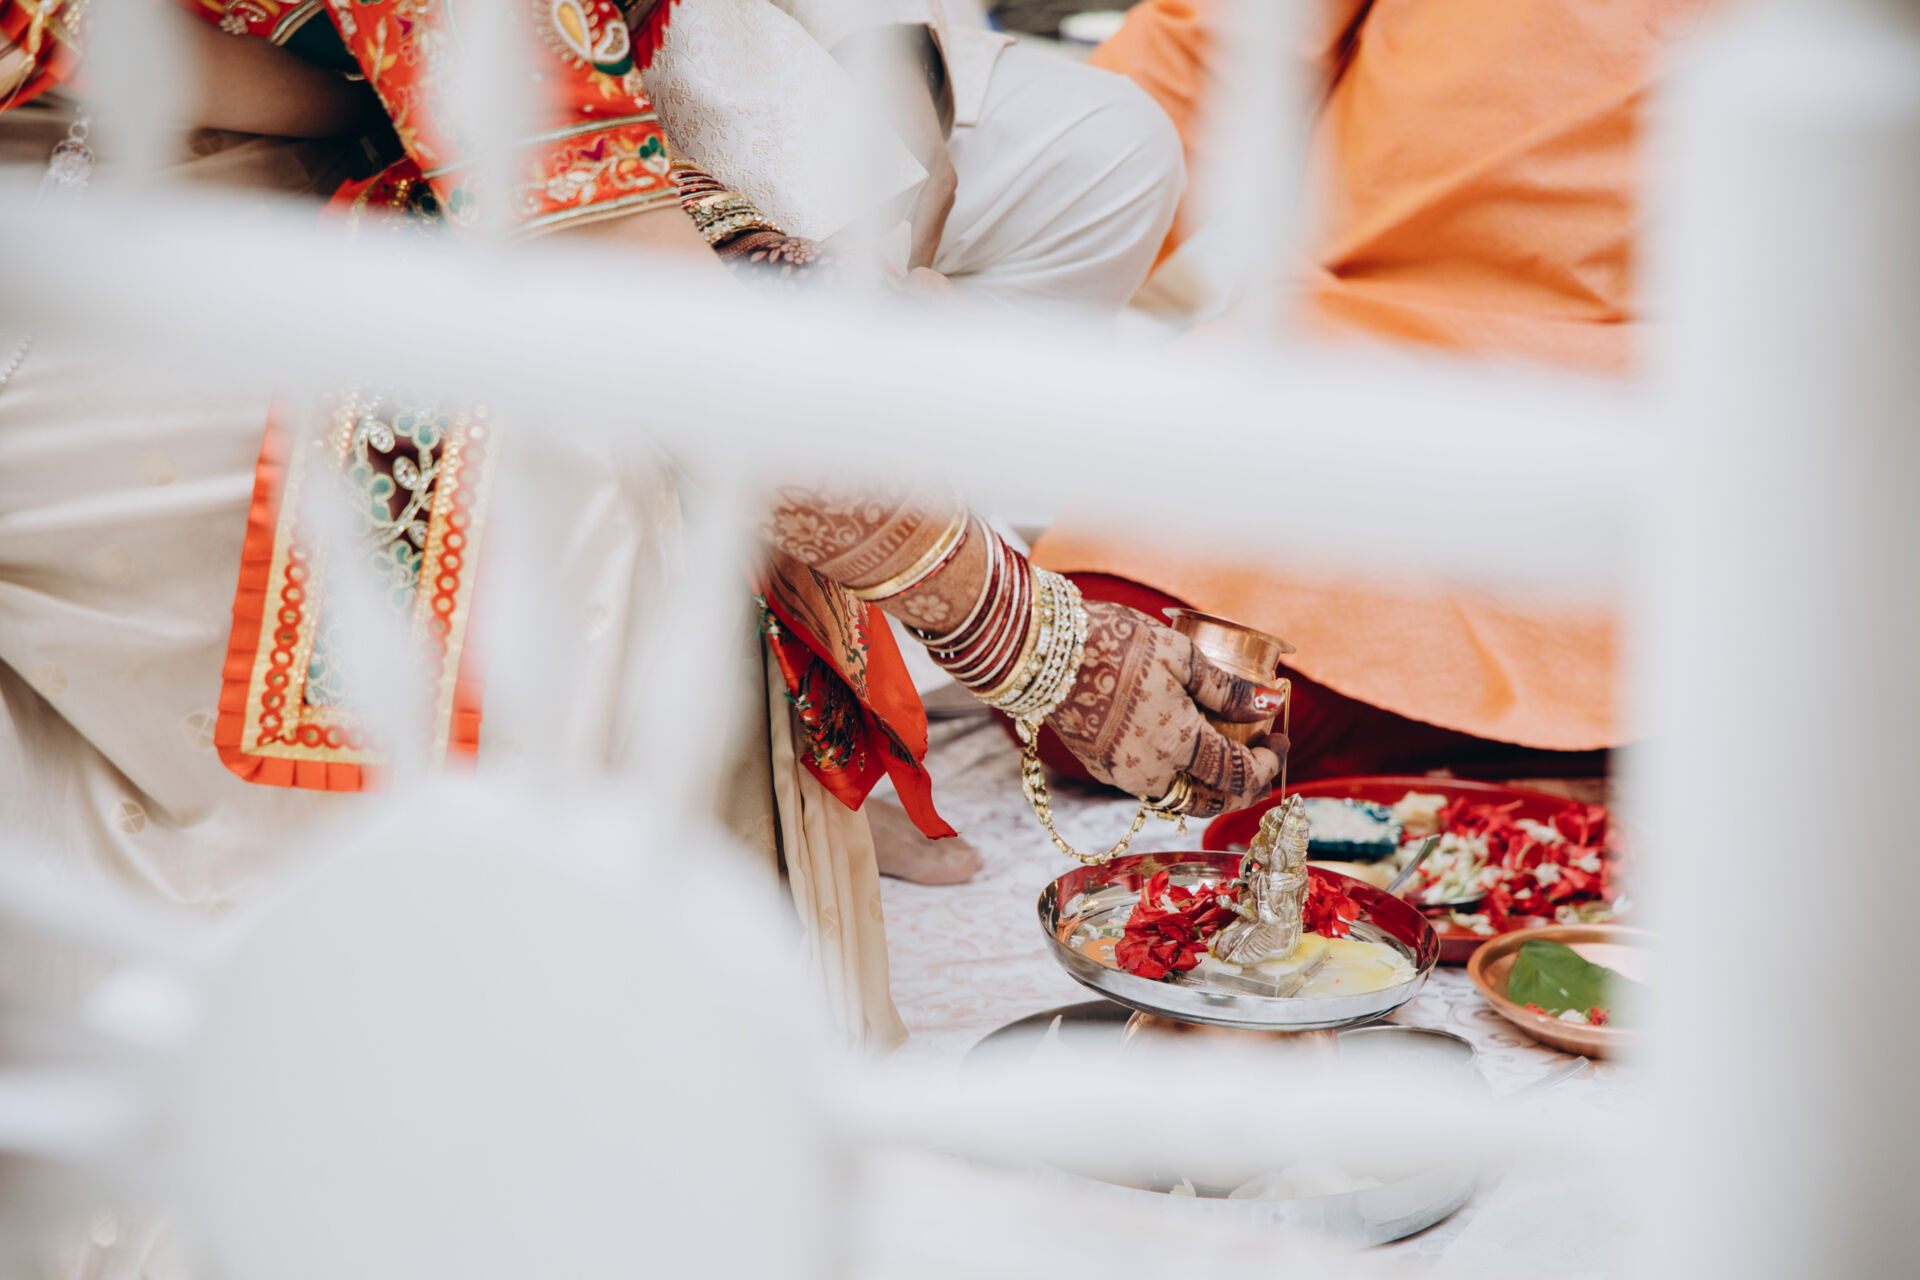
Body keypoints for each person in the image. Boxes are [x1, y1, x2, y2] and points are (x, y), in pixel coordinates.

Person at [0, 0, 1277, 1071]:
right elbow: (630, 285)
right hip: (92, 236)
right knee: (595, 470)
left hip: (353, 121)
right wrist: (1041, 644)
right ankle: (513, 1069)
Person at [1023, 0, 1713, 784]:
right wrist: (1005, 272)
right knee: (1087, 672)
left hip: (1713, 396)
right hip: (1365, 353)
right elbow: (1207, 49)